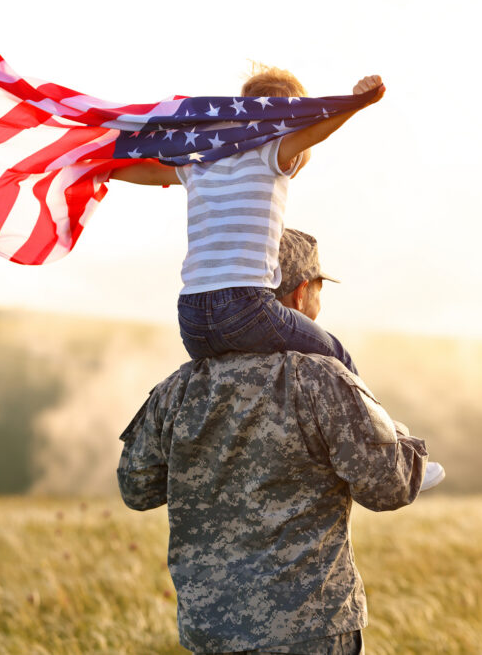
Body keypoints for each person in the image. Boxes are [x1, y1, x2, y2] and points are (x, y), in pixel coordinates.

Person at [117, 229, 444, 654]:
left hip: (210, 634)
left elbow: (136, 488)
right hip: (308, 632)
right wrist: (399, 439)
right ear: (301, 293)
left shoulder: (177, 389)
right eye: (320, 291)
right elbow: (390, 487)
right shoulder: (320, 378)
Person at [110, 67, 384, 375]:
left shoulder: (202, 159)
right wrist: (357, 103)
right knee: (338, 357)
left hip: (192, 320)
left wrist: (97, 166)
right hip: (245, 309)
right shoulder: (270, 152)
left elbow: (147, 172)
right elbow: (313, 134)